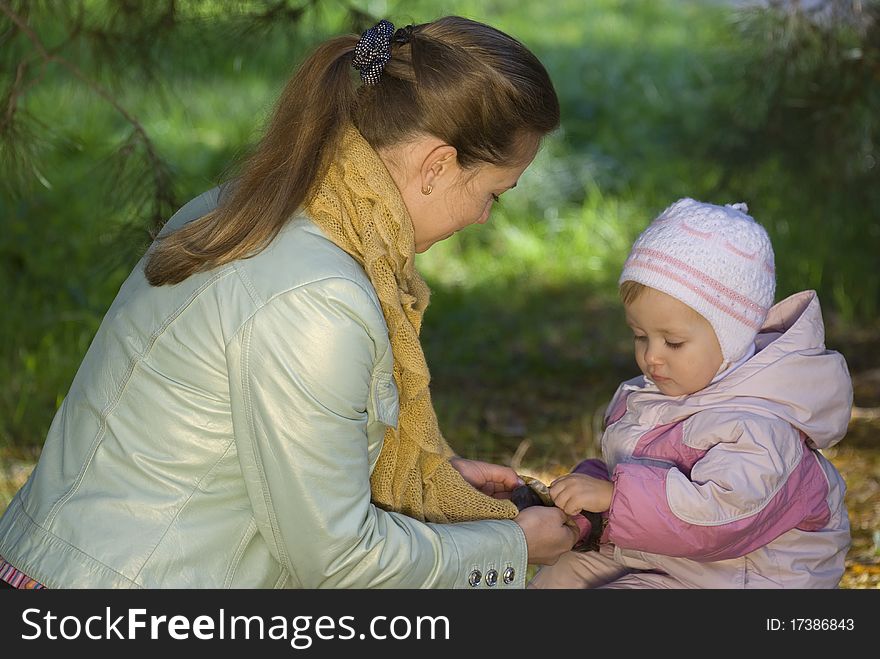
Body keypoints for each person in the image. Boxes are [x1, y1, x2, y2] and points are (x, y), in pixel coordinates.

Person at [0, 16, 578, 589]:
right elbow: (339, 561)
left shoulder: (243, 208)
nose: (482, 218)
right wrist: (513, 546)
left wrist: (431, 482)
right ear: (436, 166)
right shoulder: (320, 300)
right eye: (492, 195)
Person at [529, 198, 853, 589]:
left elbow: (720, 518)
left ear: (731, 340)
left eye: (674, 342)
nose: (651, 356)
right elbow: (631, 472)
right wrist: (583, 508)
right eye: (640, 336)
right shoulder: (657, 396)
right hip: (661, 556)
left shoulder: (761, 426)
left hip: (736, 578)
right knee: (560, 576)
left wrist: (613, 498)